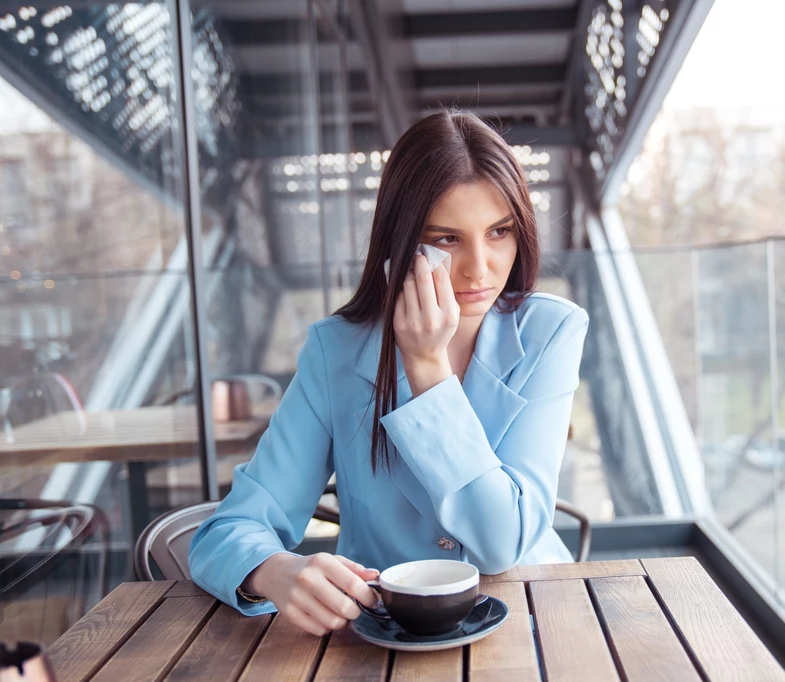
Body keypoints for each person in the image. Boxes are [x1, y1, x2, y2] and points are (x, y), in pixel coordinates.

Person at [188, 110, 590, 636]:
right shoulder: (335, 350)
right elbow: (227, 531)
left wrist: (426, 366)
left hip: (534, 619)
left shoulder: (551, 331)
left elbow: (501, 544)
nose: (479, 267)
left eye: (499, 232)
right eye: (447, 238)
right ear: (401, 242)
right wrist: (274, 570)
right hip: (382, 635)